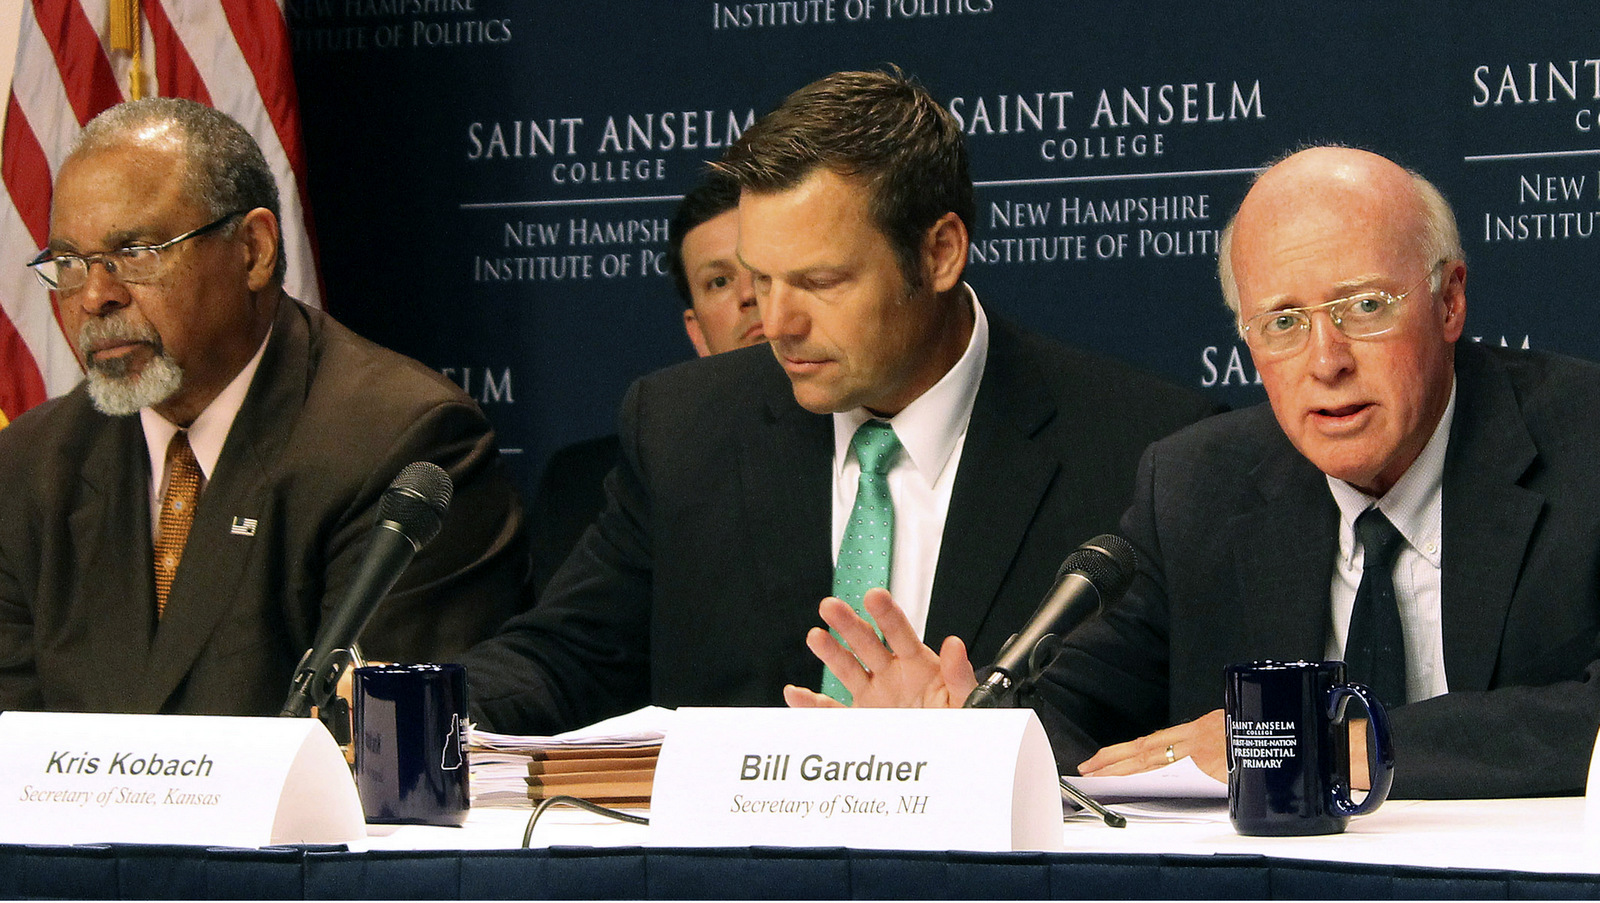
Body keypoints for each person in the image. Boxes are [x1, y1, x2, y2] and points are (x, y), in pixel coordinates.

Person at [793, 145, 1600, 800]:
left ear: (1450, 301)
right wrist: (969, 737)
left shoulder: (1584, 443)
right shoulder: (1197, 482)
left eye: (1364, 308)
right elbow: (1072, 708)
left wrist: (1319, 739)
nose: (1327, 361)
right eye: (1282, 322)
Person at [461, 68, 1215, 734]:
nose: (777, 322)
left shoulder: (1141, 452)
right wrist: (402, 707)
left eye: (821, 282)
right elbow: (564, 658)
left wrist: (981, 748)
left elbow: (1164, 735)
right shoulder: (686, 428)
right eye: (761, 278)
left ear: (940, 252)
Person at [0, 98, 529, 715]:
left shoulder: (400, 441)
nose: (95, 296)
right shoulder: (28, 465)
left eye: (137, 254)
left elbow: (380, 744)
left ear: (253, 250)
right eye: (70, 263)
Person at [526, 171, 765, 594]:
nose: (748, 295)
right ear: (696, 333)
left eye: (762, 269)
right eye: (720, 281)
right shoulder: (592, 484)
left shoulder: (869, 448)